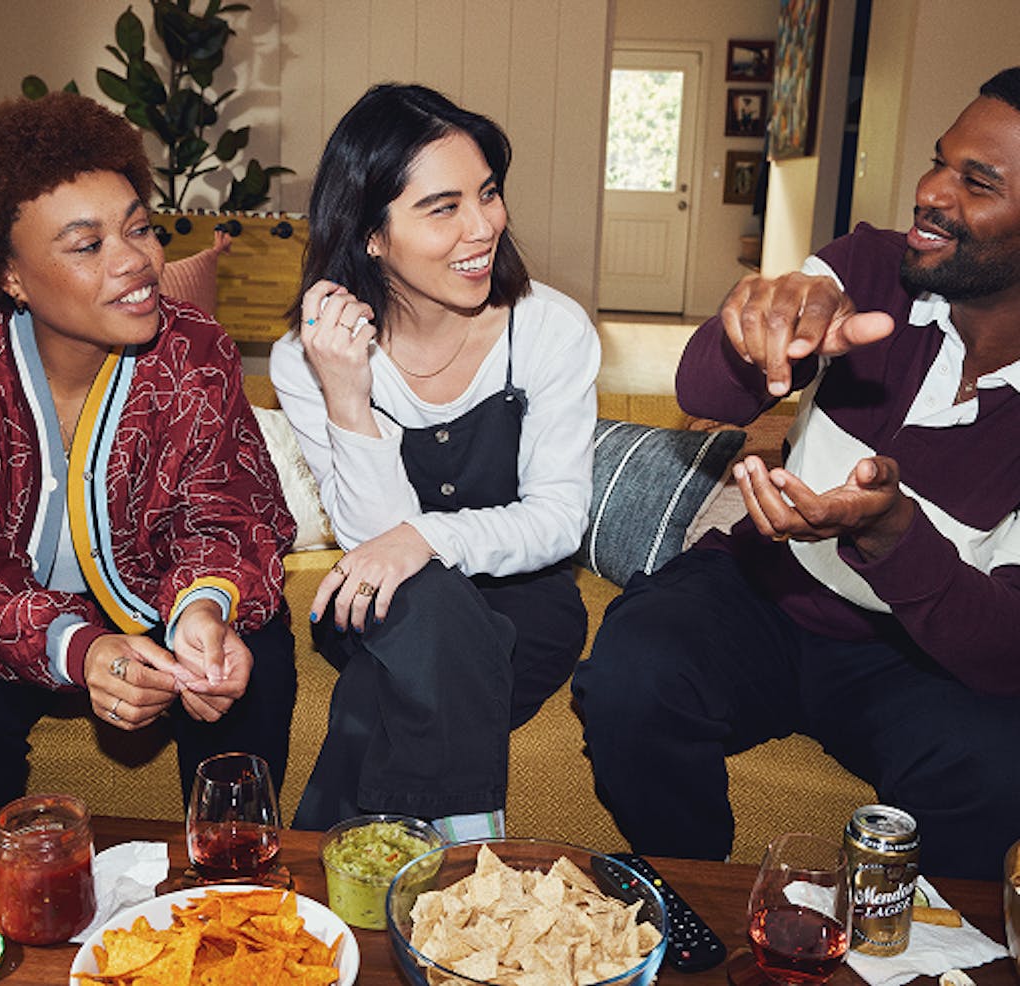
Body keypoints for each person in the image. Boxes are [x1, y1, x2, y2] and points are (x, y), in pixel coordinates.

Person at [572, 67, 1020, 880]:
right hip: (764, 588)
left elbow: (1003, 651)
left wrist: (892, 533)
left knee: (996, 773)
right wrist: (750, 335)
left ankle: (902, 939)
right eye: (938, 161)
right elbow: (704, 395)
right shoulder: (872, 267)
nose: (930, 192)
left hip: (916, 657)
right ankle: (693, 896)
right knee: (631, 676)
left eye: (976, 182)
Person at [0, 91, 298, 854]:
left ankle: (235, 877)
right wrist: (76, 648)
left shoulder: (194, 348)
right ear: (8, 273)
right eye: (86, 245)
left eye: (138, 228)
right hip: (1, 630)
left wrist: (203, 613)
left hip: (157, 614)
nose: (135, 260)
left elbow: (228, 507)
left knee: (258, 653)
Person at [271, 83, 599, 840]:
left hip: (525, 599)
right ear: (371, 235)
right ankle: (465, 863)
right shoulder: (309, 357)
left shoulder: (549, 330)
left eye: (487, 193)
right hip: (380, 605)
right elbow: (371, 543)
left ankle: (321, 873)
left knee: (381, 689)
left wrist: (425, 538)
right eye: (442, 207)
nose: (483, 226)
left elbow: (557, 520)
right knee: (427, 615)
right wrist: (347, 394)